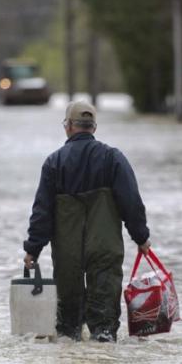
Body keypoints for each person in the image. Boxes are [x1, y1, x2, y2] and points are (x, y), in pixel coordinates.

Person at [23, 101, 150, 342]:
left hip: (67, 253)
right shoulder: (113, 158)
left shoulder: (54, 163)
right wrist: (141, 237)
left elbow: (42, 213)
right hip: (105, 248)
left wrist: (33, 249)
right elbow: (131, 203)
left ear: (69, 126)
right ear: (93, 128)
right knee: (104, 329)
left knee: (67, 332)